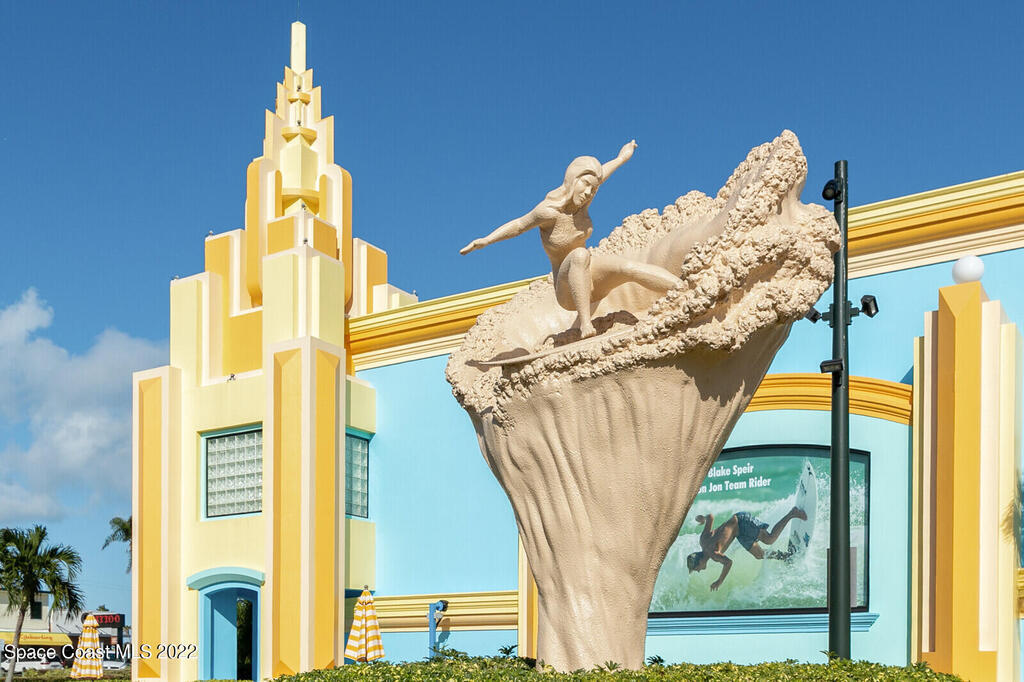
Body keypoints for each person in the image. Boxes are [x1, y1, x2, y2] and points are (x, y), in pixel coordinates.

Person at [460, 141, 683, 338]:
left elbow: (601, 175)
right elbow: (519, 225)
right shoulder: (549, 211)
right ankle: (585, 325)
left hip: (591, 278)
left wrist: (621, 158)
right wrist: (486, 240)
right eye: (585, 185)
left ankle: (684, 289)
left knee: (628, 267)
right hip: (567, 291)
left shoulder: (583, 202)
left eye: (593, 189)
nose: (588, 192)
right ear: (572, 180)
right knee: (579, 255)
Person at [686, 506, 807, 591]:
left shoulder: (714, 554)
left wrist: (719, 581)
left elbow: (728, 563)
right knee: (759, 555)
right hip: (739, 533)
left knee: (769, 539)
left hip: (741, 521)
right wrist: (702, 519)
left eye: (696, 568)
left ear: (700, 561)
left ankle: (792, 513)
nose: (698, 571)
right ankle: (785, 556)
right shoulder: (703, 540)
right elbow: (710, 517)